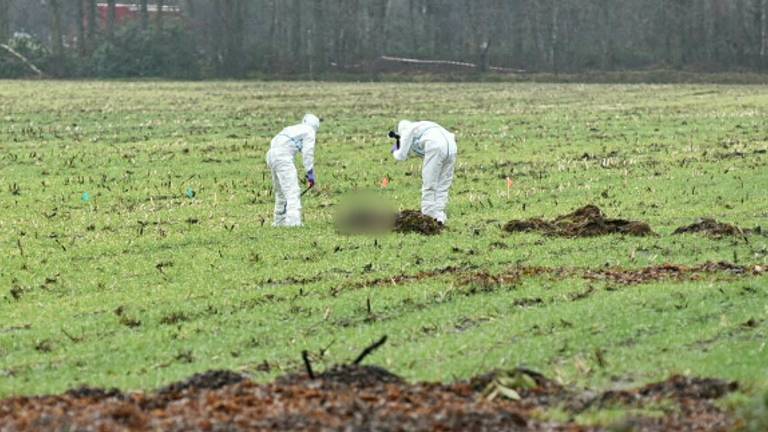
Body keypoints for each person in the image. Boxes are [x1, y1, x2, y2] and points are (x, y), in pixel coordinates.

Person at [389, 120, 457, 224]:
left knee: (429, 184)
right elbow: (415, 148)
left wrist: (396, 151)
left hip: (435, 146)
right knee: (443, 185)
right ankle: (439, 217)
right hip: (452, 147)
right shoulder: (422, 127)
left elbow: (401, 156)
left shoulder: (408, 130)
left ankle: (428, 218)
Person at [266, 113, 320, 227]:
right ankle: (293, 223)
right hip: (283, 157)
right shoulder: (309, 131)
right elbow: (308, 152)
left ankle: (279, 221)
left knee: (280, 191)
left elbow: (275, 140)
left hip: (271, 154)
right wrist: (310, 173)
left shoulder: (293, 128)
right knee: (292, 191)